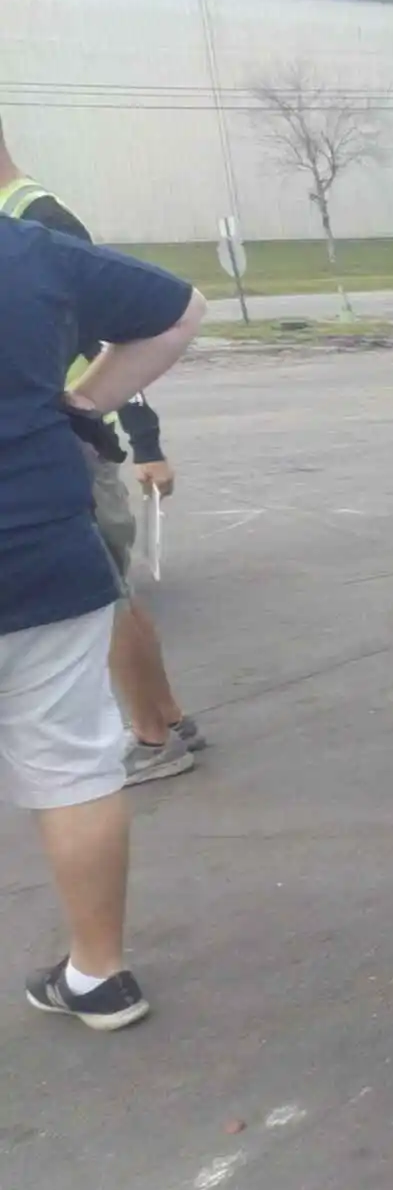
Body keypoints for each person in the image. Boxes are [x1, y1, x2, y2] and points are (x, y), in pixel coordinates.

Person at [1, 212, 205, 1029]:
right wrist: (85, 399)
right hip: (36, 545)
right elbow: (180, 310)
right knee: (72, 765)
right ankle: (100, 973)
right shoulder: (24, 249)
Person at [0, 121, 203, 785]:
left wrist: (138, 439)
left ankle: (153, 736)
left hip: (61, 449)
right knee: (109, 593)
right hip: (52, 444)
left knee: (104, 598)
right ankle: (168, 717)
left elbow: (120, 332)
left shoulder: (38, 223)